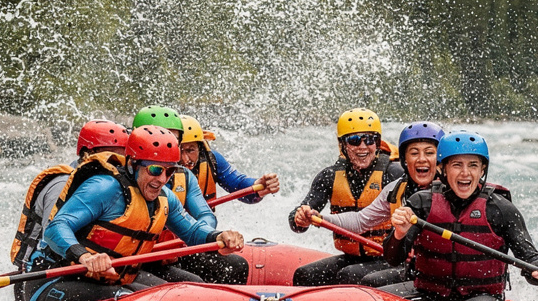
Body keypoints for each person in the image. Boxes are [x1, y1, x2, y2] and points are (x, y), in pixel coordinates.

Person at [23, 126, 245, 301]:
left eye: (169, 171)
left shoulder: (164, 198)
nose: (161, 179)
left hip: (106, 281)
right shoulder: (104, 188)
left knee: (183, 299)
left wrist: (218, 236)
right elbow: (55, 228)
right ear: (133, 164)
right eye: (155, 170)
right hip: (54, 282)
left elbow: (193, 231)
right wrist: (85, 256)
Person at [384, 130, 538, 301]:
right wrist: (399, 233)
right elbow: (393, 258)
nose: (465, 173)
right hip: (430, 295)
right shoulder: (421, 203)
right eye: (457, 165)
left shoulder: (501, 209)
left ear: (482, 170)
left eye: (473, 165)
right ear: (443, 168)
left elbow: (530, 261)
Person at [318, 121, 445, 288]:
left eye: (429, 153)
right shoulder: (396, 189)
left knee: (359, 279)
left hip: (440, 271)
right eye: (414, 153)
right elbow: (360, 221)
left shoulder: (452, 192)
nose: (422, 159)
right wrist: (320, 218)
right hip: (409, 265)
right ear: (405, 159)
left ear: (441, 158)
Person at [289, 107, 403, 286]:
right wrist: (300, 218)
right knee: (305, 275)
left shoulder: (394, 174)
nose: (363, 147)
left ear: (378, 143)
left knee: (350, 275)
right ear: (342, 145)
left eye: (370, 140)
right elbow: (297, 222)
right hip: (352, 257)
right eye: (355, 140)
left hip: (389, 259)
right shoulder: (329, 177)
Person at [166, 114, 281, 284]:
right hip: (165, 247)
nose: (185, 159)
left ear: (200, 147)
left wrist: (258, 186)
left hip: (198, 239)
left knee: (236, 266)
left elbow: (238, 184)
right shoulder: (159, 174)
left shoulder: (212, 160)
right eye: (179, 150)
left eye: (190, 150)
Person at [9, 119, 130, 272]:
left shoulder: (107, 186)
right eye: (111, 157)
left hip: (79, 266)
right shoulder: (62, 183)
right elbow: (52, 235)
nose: (117, 165)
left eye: (121, 159)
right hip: (40, 270)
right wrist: (85, 256)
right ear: (88, 154)